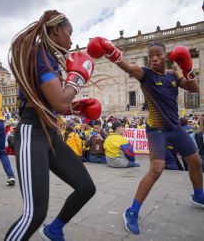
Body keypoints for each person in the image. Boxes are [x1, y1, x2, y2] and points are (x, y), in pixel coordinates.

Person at [87, 38, 204, 234]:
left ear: (164, 56)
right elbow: (129, 68)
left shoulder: (173, 76)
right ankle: (132, 212)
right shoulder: (146, 75)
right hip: (156, 129)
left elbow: (194, 89)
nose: (154, 59)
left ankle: (199, 195)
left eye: (158, 55)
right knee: (157, 168)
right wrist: (111, 51)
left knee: (196, 161)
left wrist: (187, 67)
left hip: (175, 128)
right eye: (151, 56)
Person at [5, 10, 99, 241]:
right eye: (69, 33)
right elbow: (58, 100)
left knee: (86, 187)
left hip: (50, 134)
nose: (71, 39)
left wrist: (75, 107)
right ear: (56, 30)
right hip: (31, 134)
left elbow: (54, 103)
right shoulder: (39, 55)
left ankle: (54, 230)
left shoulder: (48, 59)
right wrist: (77, 78)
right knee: (34, 214)